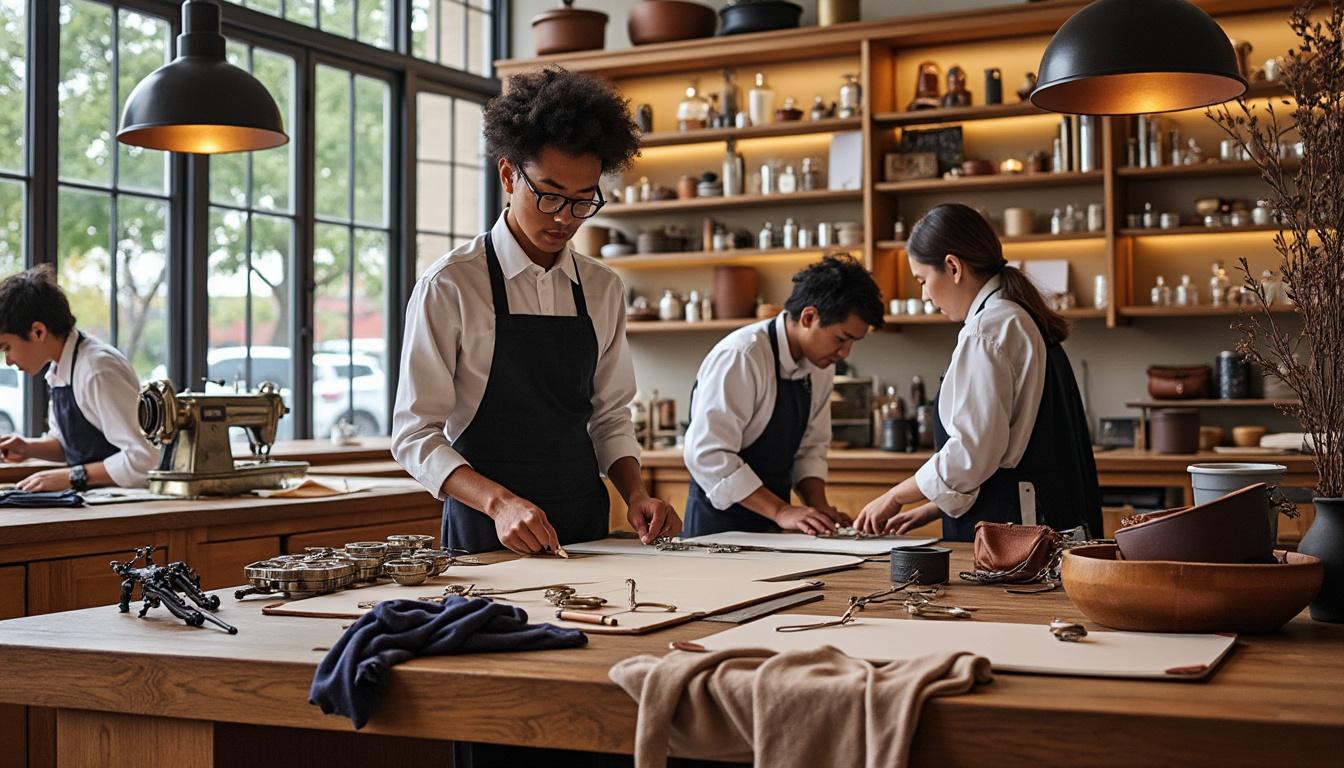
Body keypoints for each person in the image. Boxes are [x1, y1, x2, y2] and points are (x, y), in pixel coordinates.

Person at [392, 66, 681, 560]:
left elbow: (610, 416)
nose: (564, 218)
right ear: (509, 174)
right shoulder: (451, 284)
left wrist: (635, 494)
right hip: (487, 532)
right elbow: (414, 435)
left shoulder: (602, 288)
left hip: (585, 527)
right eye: (548, 195)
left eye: (582, 200)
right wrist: (500, 503)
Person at [855, 203, 1101, 541]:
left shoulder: (988, 330)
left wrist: (895, 496)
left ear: (953, 267)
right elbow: (998, 451)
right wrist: (933, 506)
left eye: (922, 280)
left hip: (1015, 533)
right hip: (1034, 520)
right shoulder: (1015, 316)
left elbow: (972, 453)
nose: (925, 295)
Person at [682, 255, 885, 537]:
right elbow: (708, 455)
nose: (844, 353)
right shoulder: (742, 356)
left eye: (853, 342)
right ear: (809, 317)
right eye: (841, 338)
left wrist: (818, 507)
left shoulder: (820, 365)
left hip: (775, 523)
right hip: (719, 528)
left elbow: (811, 447)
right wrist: (780, 511)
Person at [0, 265, 160, 491]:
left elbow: (145, 459)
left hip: (126, 509)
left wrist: (71, 476)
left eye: (7, 347)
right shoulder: (61, 368)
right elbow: (74, 446)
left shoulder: (97, 370)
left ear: (38, 332)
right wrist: (28, 448)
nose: (8, 361)